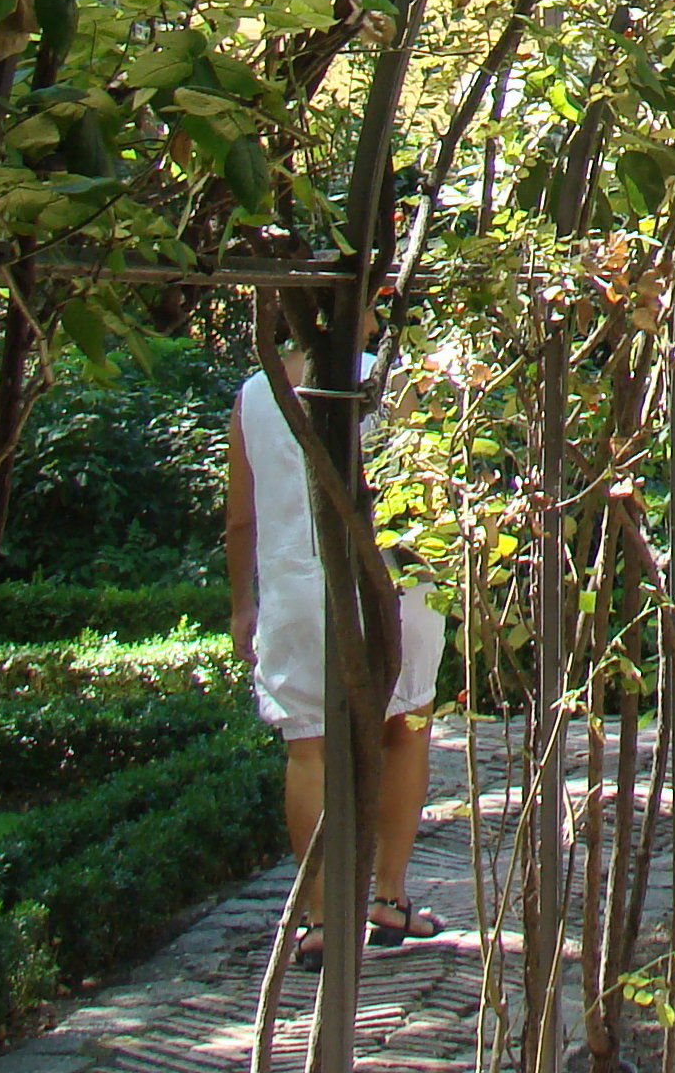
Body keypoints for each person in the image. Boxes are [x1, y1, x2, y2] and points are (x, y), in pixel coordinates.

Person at [227, 347, 449, 966]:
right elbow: (430, 487)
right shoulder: (393, 377)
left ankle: (322, 920)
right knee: (405, 728)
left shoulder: (254, 394)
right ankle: (389, 896)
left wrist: (242, 603)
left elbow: (241, 520)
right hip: (396, 579)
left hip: (298, 587)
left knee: (310, 745)